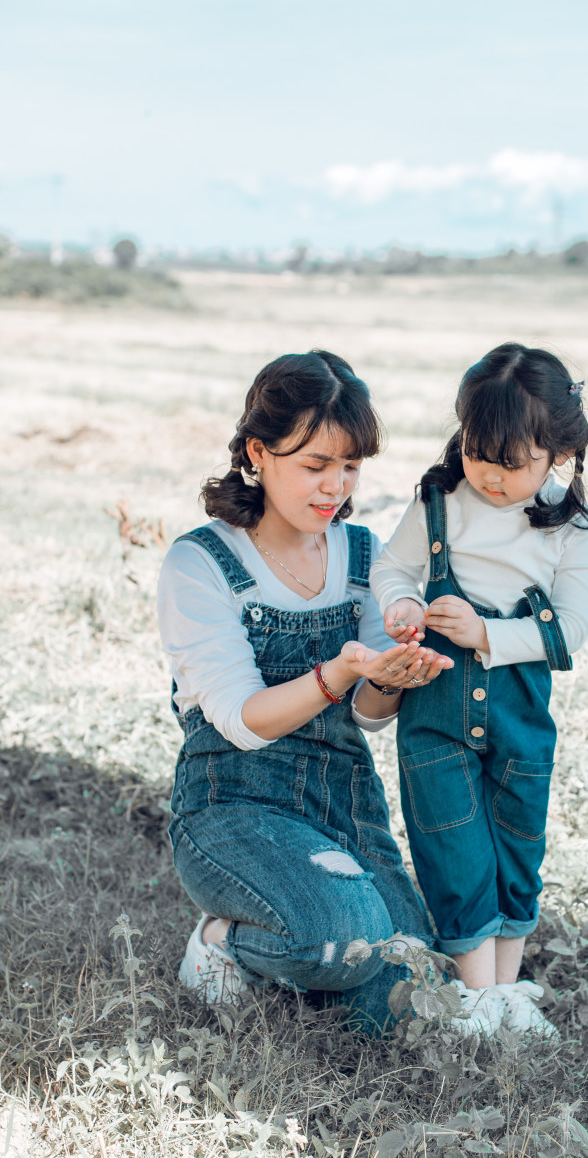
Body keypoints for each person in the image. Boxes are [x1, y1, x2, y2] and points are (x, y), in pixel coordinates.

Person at [158, 350, 454, 1035]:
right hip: (232, 806)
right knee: (340, 942)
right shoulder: (200, 562)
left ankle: (299, 944)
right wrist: (338, 673)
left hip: (342, 803)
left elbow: (369, 717)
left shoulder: (362, 554)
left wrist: (387, 679)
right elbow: (239, 720)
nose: (335, 488)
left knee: (413, 989)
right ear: (258, 454)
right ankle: (221, 942)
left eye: (350, 467)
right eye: (315, 466)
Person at [370, 342, 588, 1038]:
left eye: (515, 464)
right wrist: (402, 609)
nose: (493, 478)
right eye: (480, 454)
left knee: (514, 850)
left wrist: (485, 636)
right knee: (453, 847)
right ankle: (477, 1000)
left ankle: (504, 989)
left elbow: (571, 631)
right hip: (434, 718)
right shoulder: (439, 502)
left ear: (557, 453)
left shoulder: (570, 529)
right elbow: (392, 569)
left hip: (520, 723)